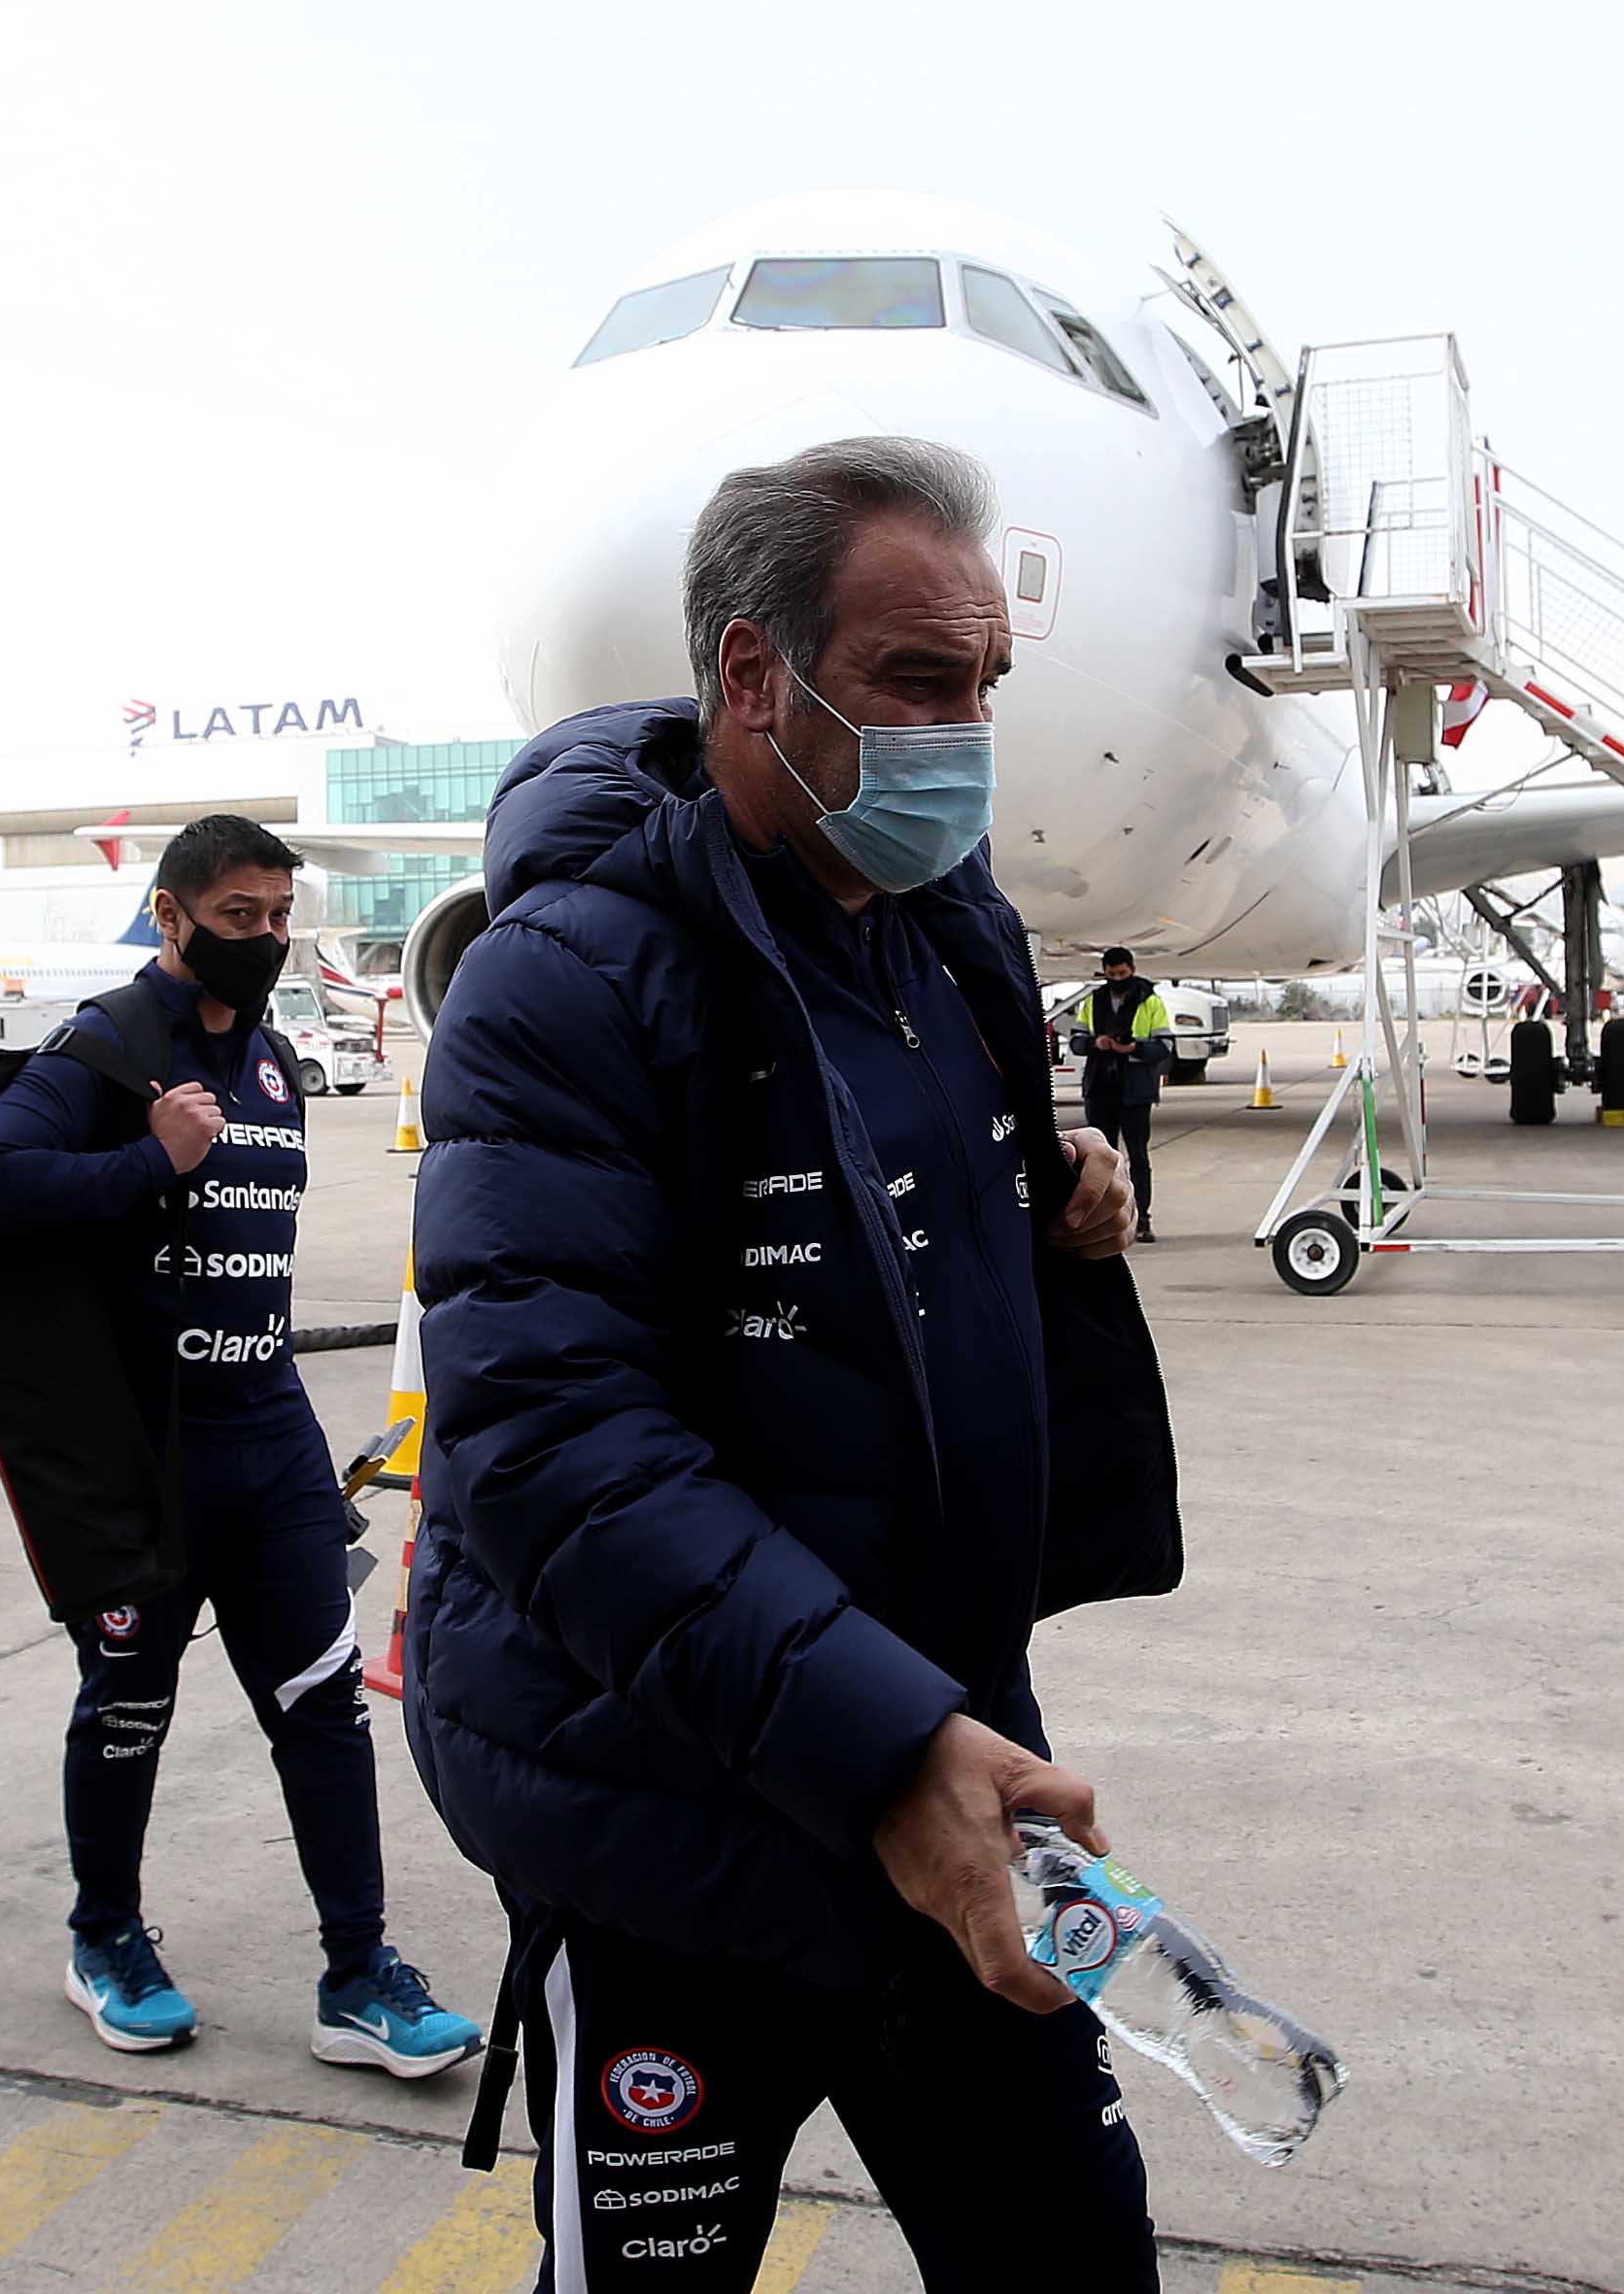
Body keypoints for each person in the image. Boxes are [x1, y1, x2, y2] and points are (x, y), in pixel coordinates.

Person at [406, 439, 1178, 2292]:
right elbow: (550, 1445)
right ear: (754, 678)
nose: (966, 733)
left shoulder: (944, 932)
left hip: (944, 1757)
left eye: (984, 683)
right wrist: (886, 1749)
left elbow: (885, 1251)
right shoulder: (566, 981)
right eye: (922, 682)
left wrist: (1048, 1216)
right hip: (677, 1824)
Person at [0, 815, 484, 2078]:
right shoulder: (103, 1050)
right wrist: (145, 1160)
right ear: (172, 915)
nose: (266, 938)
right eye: (237, 917)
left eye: (277, 914)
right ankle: (104, 1939)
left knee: (323, 1709)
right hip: (147, 1455)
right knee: (128, 1706)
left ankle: (357, 1977)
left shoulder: (274, 1064)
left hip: (265, 1437)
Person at [1073, 950, 1172, 1244]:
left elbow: (1165, 1046)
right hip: (1100, 1088)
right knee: (1099, 1160)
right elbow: (1077, 1042)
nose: (1117, 979)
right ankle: (1101, 1220)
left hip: (1135, 1091)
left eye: (1122, 974)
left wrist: (1135, 1049)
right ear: (1105, 972)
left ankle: (1142, 1218)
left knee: (1138, 1158)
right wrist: (1097, 1042)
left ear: (1132, 969)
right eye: (1112, 975)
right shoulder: (1093, 1001)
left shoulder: (1150, 1001)